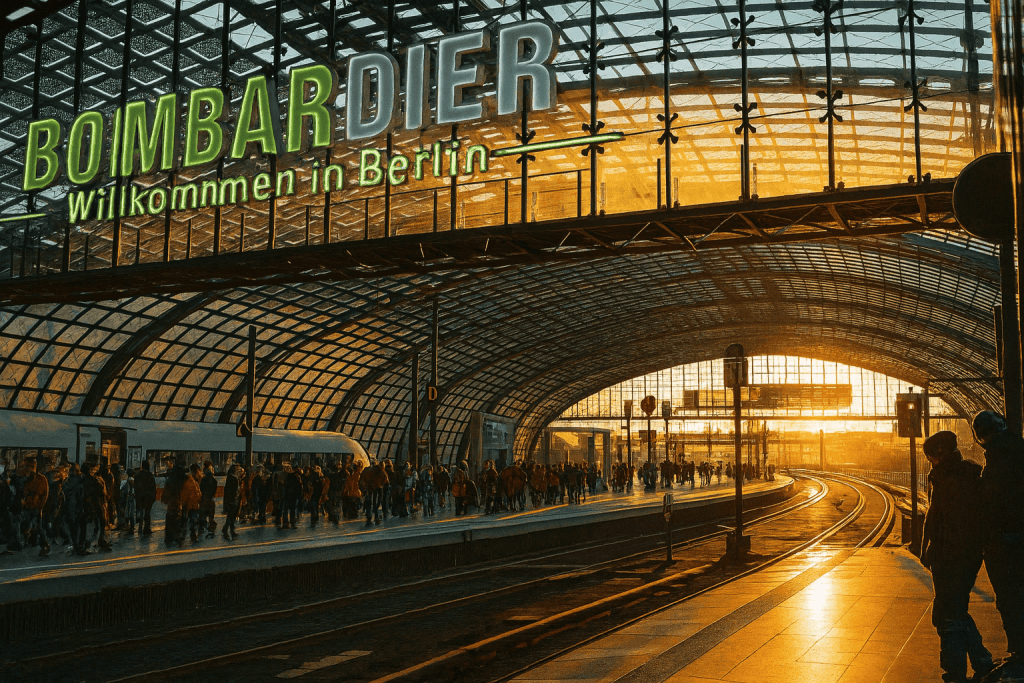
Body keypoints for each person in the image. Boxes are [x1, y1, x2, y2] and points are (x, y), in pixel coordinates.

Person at [919, 431, 993, 683]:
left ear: (940, 455)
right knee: (955, 610)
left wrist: (933, 550)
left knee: (947, 614)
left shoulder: (953, 480)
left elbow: (947, 522)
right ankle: (981, 661)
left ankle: (955, 670)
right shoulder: (955, 476)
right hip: (957, 556)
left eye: (931, 458)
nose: (930, 463)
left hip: (953, 557)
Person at [972, 410, 1024, 681]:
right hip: (1013, 539)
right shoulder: (1018, 451)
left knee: (1011, 600)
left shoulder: (997, 463)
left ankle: (1020, 654)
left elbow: (993, 507)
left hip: (1006, 544)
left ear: (982, 438)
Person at [134, 460, 156, 535]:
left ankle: (140, 526)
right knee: (147, 513)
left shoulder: (138, 475)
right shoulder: (150, 475)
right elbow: (153, 487)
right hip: (148, 497)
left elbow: (136, 487)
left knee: (141, 511)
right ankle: (146, 527)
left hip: (140, 496)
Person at [199, 463, 217, 538]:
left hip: (204, 499)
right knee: (211, 516)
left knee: (202, 515)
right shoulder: (214, 480)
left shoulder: (203, 480)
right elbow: (214, 491)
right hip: (210, 500)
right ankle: (211, 530)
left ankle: (202, 528)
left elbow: (201, 489)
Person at [222, 464, 239, 540]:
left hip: (229, 500)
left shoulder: (229, 478)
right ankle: (229, 530)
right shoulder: (235, 478)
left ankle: (227, 529)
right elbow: (236, 490)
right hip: (233, 499)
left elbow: (226, 490)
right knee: (231, 516)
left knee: (230, 516)